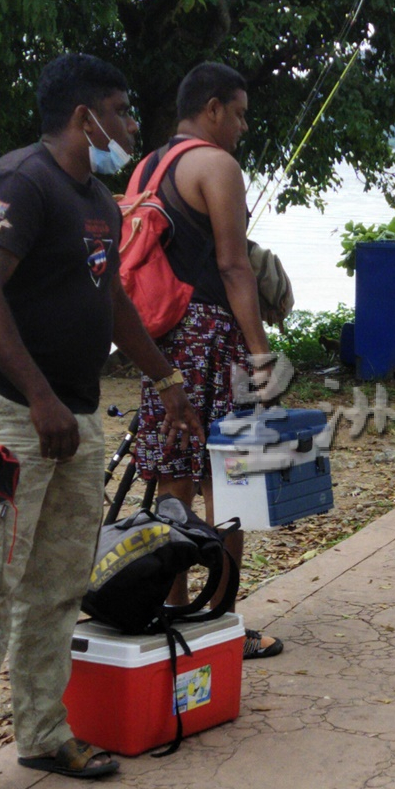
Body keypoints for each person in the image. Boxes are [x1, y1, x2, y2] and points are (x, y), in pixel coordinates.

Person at [0, 53, 203, 789]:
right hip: (4, 407)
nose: (131, 127)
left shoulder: (100, 201)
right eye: (122, 110)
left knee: (59, 582)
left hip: (68, 411)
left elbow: (109, 300)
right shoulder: (20, 182)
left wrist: (168, 380)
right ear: (86, 118)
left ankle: (44, 731)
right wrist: (40, 397)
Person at [128, 62, 283, 658]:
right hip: (213, 337)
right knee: (231, 479)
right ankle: (220, 618)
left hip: (162, 343)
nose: (243, 126)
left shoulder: (147, 166)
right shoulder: (218, 165)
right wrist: (262, 356)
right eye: (240, 113)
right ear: (213, 107)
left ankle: (173, 610)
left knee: (174, 477)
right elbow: (233, 265)